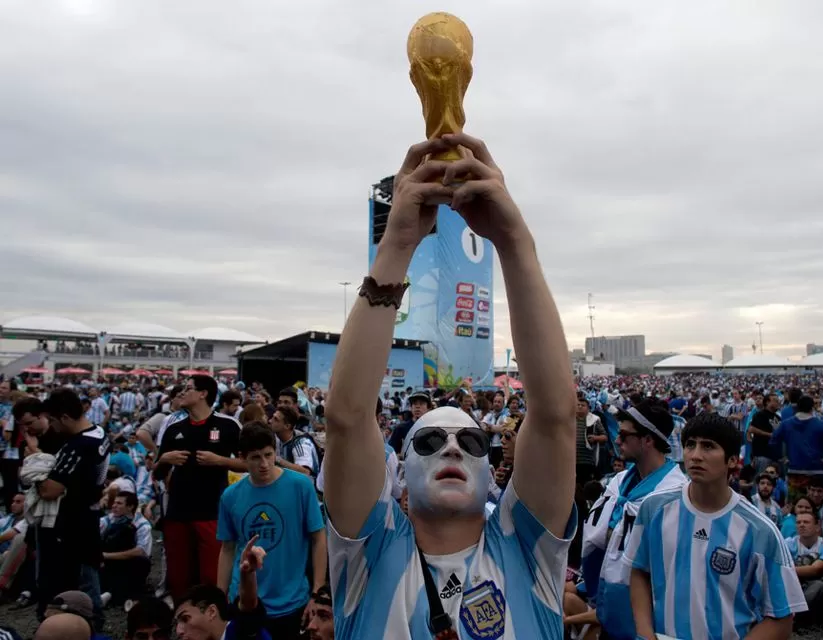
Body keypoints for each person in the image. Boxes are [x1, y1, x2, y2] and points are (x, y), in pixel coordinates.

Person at [321, 134, 577, 638]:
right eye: (430, 441)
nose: (453, 447)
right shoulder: (370, 550)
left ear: (491, 472)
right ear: (401, 473)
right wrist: (397, 244)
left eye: (472, 440)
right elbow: (347, 419)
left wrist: (513, 241)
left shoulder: (528, 550)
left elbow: (554, 415)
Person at [627, 413, 806, 640]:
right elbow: (639, 570)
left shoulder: (760, 530)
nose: (695, 455)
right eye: (690, 445)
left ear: (732, 460)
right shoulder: (653, 508)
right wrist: (645, 634)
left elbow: (781, 617)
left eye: (708, 446)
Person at [580, 401, 686, 640]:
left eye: (625, 435)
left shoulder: (676, 493)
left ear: (647, 440)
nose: (617, 440)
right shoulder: (619, 482)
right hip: (610, 614)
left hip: (644, 624)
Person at [217, 423, 326, 640]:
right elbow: (227, 549)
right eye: (256, 457)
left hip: (293, 600)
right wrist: (221, 598)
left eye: (268, 455)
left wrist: (318, 593)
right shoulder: (230, 496)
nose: (264, 464)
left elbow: (318, 538)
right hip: (246, 601)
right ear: (242, 458)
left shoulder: (300, 486)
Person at [154, 374, 244, 599]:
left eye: (189, 388)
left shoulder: (228, 425)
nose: (182, 392)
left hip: (211, 512)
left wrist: (220, 461)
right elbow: (156, 472)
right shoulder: (174, 428)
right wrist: (165, 460)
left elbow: (248, 463)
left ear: (203, 394)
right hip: (177, 513)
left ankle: (213, 626)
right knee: (179, 579)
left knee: (211, 579)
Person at [35, 389, 110, 629]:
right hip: (88, 514)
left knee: (78, 581)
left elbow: (49, 490)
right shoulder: (99, 432)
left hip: (73, 523)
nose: (53, 427)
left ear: (65, 417)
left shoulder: (78, 445)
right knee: (87, 577)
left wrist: (35, 472)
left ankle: (86, 627)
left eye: (54, 421)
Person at [175, 536, 271, 639]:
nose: (178, 631)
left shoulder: (239, 630)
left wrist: (248, 573)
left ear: (211, 612)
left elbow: (248, 606)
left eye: (185, 619)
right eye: (176, 624)